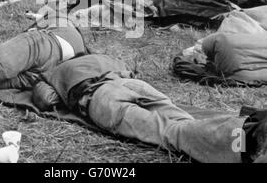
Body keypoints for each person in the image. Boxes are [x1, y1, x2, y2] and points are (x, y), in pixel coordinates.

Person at [35, 54, 267, 163]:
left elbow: (47, 100)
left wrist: (49, 85)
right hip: (133, 83)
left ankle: (247, 141)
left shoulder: (54, 71)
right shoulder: (103, 57)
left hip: (100, 95)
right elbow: (132, 69)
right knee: (183, 120)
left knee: (170, 133)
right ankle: (243, 134)